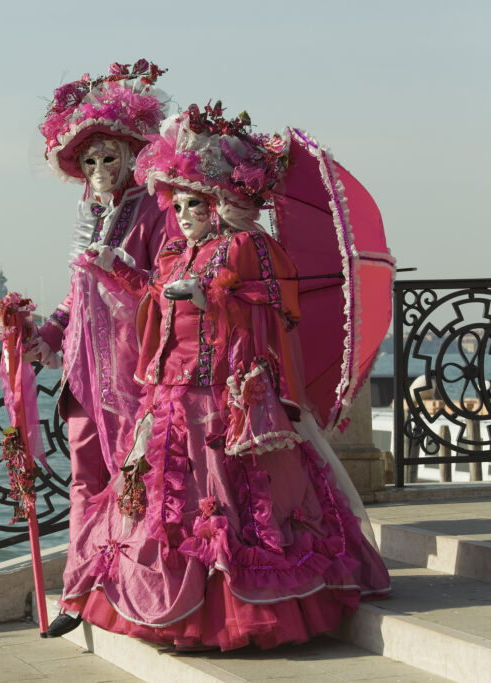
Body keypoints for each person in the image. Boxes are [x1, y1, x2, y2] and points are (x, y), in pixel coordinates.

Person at [57, 103, 391, 650]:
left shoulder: (246, 246)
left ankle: (235, 608)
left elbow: (270, 304)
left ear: (222, 205)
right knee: (160, 503)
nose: (182, 215)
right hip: (170, 395)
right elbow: (152, 299)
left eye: (194, 204)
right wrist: (113, 266)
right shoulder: (177, 254)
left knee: (233, 508)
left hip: (220, 396)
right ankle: (166, 602)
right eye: (178, 204)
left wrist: (212, 297)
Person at [25, 60, 178, 637]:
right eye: (88, 161)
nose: (98, 170)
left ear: (131, 155)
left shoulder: (158, 212)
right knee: (86, 480)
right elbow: (76, 296)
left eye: (108, 157)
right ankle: (79, 590)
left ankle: (143, 591)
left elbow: (165, 287)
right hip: (85, 374)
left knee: (139, 478)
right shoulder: (91, 216)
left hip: (138, 373)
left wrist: (125, 271)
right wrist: (45, 335)